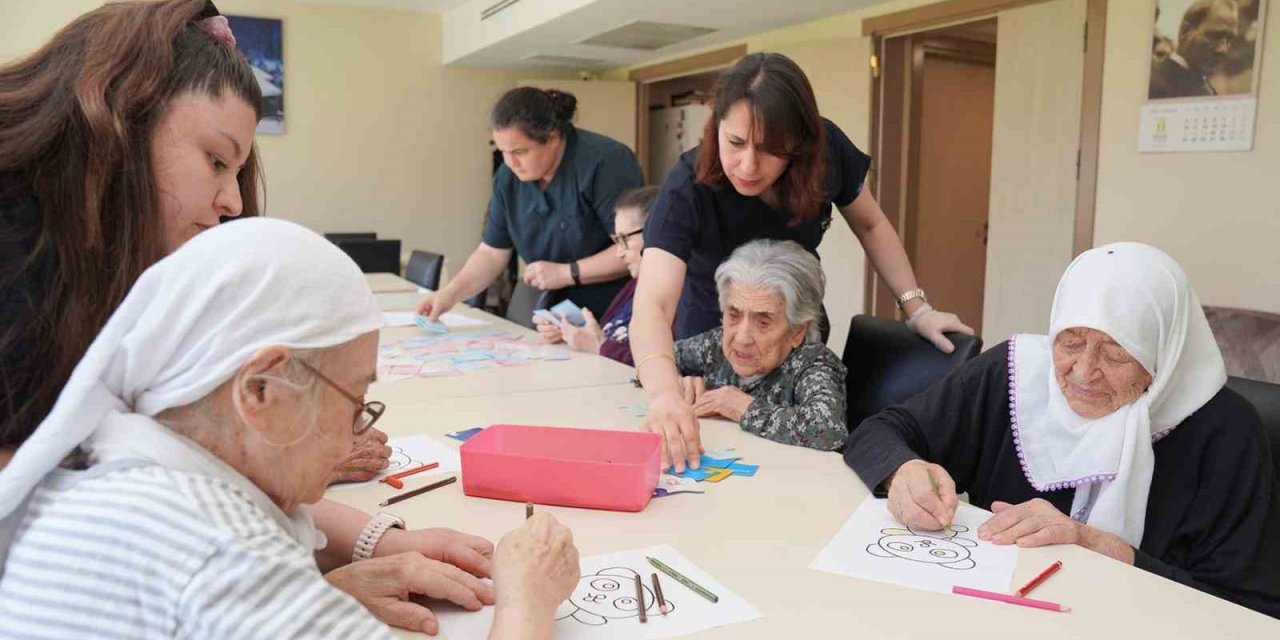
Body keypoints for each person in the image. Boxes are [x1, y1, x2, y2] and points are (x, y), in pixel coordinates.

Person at [0, 2, 495, 630]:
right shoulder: (22, 260)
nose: (231, 201)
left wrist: (360, 535)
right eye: (215, 160)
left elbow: (192, 464)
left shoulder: (115, 257)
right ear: (124, 117)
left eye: (237, 171)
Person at [0, 218, 581, 638]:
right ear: (260, 389)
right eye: (354, 400)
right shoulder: (222, 553)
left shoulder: (112, 462)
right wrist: (529, 597)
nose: (358, 432)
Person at [843, 242, 1280, 619]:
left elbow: (1250, 609)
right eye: (1070, 341)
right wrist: (904, 471)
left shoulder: (1225, 432)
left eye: (1116, 353)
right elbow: (883, 430)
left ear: (1163, 354)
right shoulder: (1015, 374)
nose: (1084, 371)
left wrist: (1093, 544)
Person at [630, 52, 972, 471]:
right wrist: (664, 390)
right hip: (712, 327)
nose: (749, 166)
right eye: (735, 144)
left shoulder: (826, 154)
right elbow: (653, 303)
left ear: (799, 142)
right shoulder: (688, 186)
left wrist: (916, 308)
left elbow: (870, 225)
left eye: (771, 150)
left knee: (787, 463)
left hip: (787, 328)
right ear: (714, 126)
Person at [418, 87, 643, 321]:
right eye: (502, 151)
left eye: (519, 151)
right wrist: (449, 294)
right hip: (554, 314)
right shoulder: (507, 178)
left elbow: (637, 246)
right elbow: (492, 252)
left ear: (553, 138)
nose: (511, 162)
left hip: (612, 310)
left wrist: (568, 273)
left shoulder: (605, 162)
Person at [672, 240, 847, 451]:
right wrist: (675, 382)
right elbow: (658, 358)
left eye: (763, 322)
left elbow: (828, 430)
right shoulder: (718, 345)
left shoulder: (813, 363)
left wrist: (742, 406)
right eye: (734, 315)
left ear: (798, 330)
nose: (742, 337)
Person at [533, 186, 658, 365]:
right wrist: (571, 328)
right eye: (616, 241)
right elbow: (609, 334)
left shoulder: (679, 295)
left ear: (656, 233)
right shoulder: (635, 284)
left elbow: (660, 362)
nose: (619, 253)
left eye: (624, 239)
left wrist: (599, 346)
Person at [1149, 0, 1240, 99]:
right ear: (1185, 31)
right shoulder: (1154, 82)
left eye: (1229, 40)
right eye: (1215, 36)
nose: (1223, 49)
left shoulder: (1207, 88)